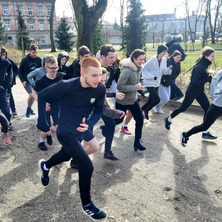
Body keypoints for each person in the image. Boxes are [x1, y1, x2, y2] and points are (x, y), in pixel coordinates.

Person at [37, 57, 106, 220]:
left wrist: (89, 124)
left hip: (82, 129)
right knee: (87, 166)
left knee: (66, 155)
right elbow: (42, 95)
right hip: (65, 131)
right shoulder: (66, 85)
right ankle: (87, 205)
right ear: (83, 74)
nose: (99, 79)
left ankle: (45, 166)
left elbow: (97, 111)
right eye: (94, 75)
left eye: (100, 75)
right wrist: (43, 121)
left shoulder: (100, 88)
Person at [164, 47, 217, 140]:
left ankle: (205, 132)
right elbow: (194, 82)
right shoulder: (200, 67)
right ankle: (168, 119)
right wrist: (207, 79)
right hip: (192, 92)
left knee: (207, 109)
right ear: (206, 56)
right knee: (183, 108)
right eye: (212, 56)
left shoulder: (204, 66)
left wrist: (208, 77)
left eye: (214, 56)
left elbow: (201, 78)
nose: (213, 58)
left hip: (199, 91)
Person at [115, 49, 146, 152]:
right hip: (122, 101)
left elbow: (136, 83)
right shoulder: (127, 70)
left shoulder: (138, 68)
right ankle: (106, 127)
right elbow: (120, 86)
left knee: (140, 119)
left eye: (143, 59)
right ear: (134, 58)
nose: (142, 61)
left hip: (133, 100)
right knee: (118, 120)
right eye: (140, 59)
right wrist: (135, 87)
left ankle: (137, 142)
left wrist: (140, 90)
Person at [181, 70, 222, 147]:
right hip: (218, 106)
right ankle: (186, 135)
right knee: (204, 126)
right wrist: (212, 94)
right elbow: (214, 79)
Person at [33, 55, 63, 151]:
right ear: (46, 67)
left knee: (60, 127)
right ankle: (41, 142)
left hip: (58, 106)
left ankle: (65, 145)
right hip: (46, 107)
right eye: (52, 68)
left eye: (56, 67)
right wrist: (42, 103)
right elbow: (33, 93)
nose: (55, 70)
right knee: (45, 128)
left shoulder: (60, 76)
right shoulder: (41, 82)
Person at [100, 68, 125, 160]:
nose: (103, 83)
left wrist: (114, 94)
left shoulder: (101, 86)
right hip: (90, 114)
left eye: (104, 80)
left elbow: (104, 94)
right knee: (85, 140)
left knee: (111, 124)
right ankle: (74, 159)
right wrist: (117, 113)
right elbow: (105, 109)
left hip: (102, 108)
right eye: (100, 80)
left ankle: (107, 152)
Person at [141, 45, 172, 119]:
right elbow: (143, 69)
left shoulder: (164, 60)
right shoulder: (152, 60)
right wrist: (152, 77)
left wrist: (169, 69)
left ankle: (141, 110)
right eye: (164, 51)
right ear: (160, 51)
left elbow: (164, 71)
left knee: (151, 99)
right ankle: (146, 110)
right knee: (157, 99)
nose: (165, 53)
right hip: (149, 83)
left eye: (165, 51)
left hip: (157, 83)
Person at [18, 44, 42, 118]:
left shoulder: (39, 60)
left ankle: (30, 108)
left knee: (33, 96)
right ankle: (28, 109)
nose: (35, 54)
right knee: (32, 95)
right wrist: (23, 81)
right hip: (27, 81)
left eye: (36, 52)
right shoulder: (25, 60)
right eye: (33, 52)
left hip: (35, 82)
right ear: (29, 52)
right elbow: (20, 72)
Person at [165, 34, 186, 101]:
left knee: (170, 80)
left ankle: (179, 94)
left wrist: (173, 59)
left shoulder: (173, 45)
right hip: (176, 63)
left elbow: (173, 54)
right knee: (172, 80)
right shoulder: (175, 44)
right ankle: (172, 95)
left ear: (168, 41)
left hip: (174, 63)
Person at [0, 47, 19, 116]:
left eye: (4, 54)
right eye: (1, 54)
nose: (3, 56)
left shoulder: (8, 61)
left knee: (9, 96)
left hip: (7, 83)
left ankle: (13, 109)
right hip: (1, 83)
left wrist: (10, 77)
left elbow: (16, 70)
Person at [0, 47, 13, 128]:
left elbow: (11, 70)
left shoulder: (5, 62)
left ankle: (6, 126)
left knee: (6, 111)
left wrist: (8, 83)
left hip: (2, 89)